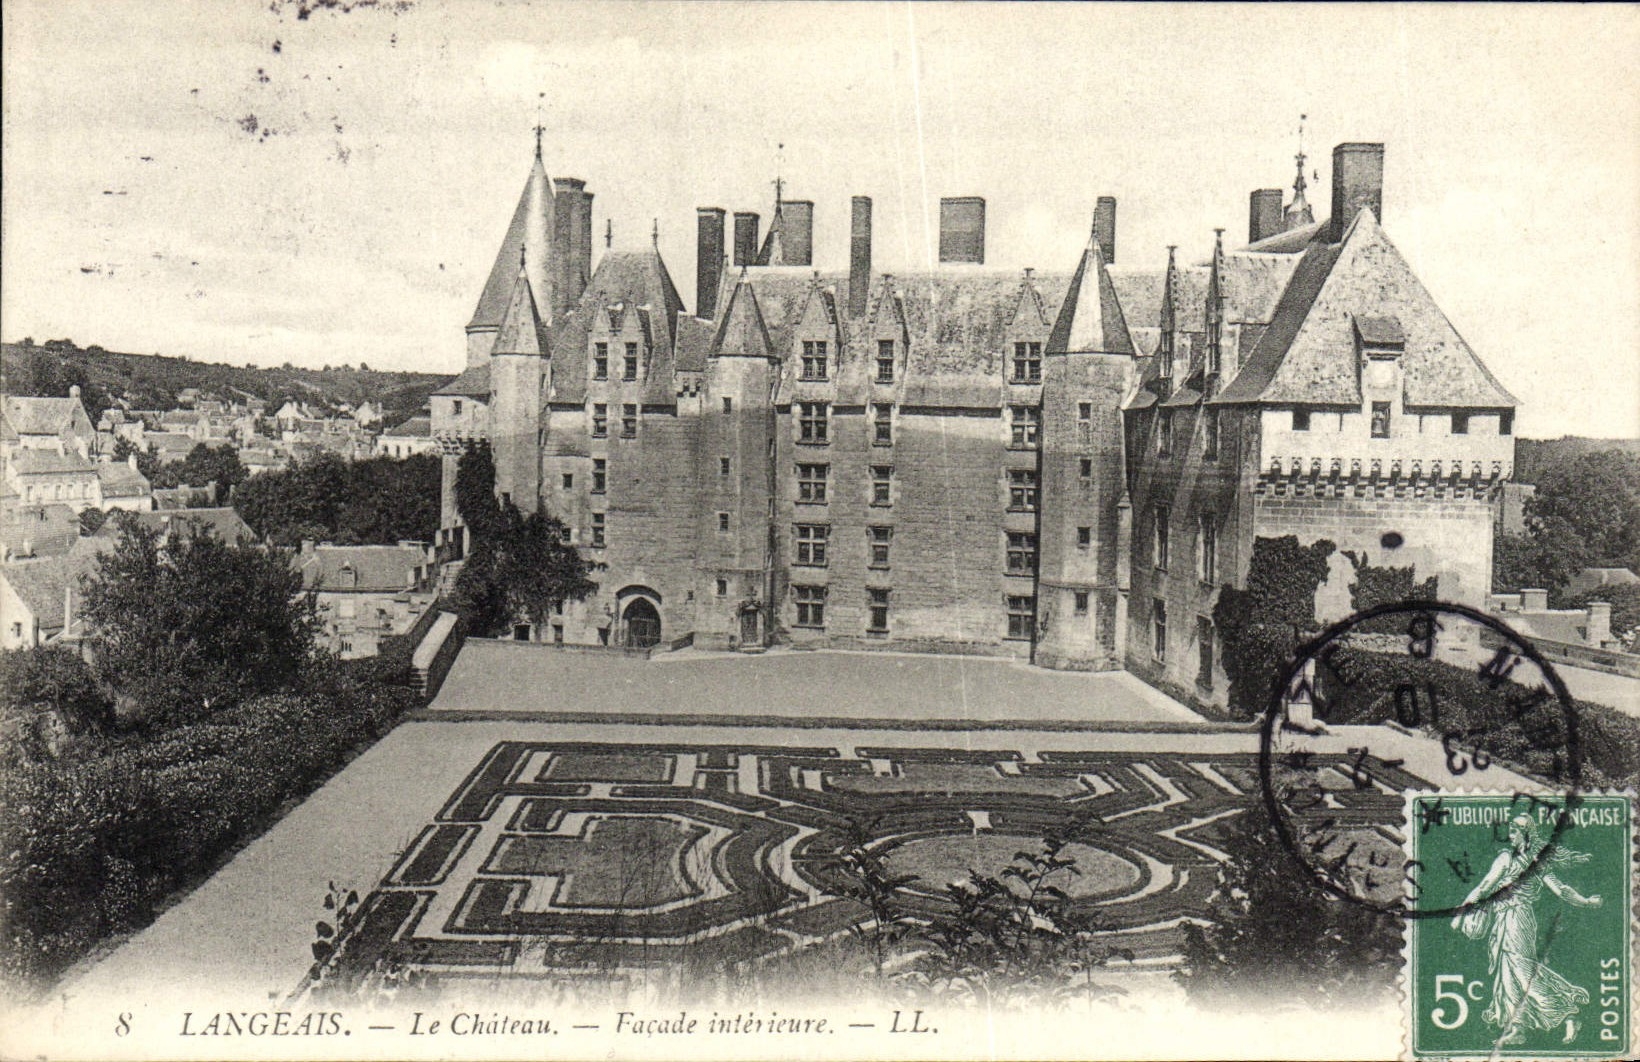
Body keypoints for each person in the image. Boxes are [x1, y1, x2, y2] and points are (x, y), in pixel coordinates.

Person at [1453, 813, 1602, 1045]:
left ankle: (1567, 1013)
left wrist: (1586, 902)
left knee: (1522, 971)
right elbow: (1484, 886)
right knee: (1508, 973)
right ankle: (1518, 1028)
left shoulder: (1534, 862)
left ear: (1525, 835)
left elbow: (1560, 889)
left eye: (1514, 832)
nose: (1510, 836)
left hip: (1519, 917)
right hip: (1503, 918)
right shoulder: (1507, 858)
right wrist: (1463, 910)